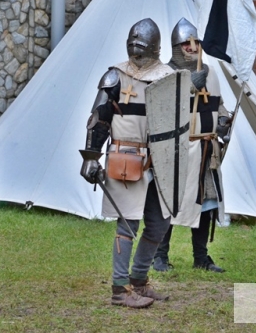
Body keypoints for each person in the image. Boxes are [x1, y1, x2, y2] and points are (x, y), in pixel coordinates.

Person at [80, 18, 175, 308]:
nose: (136, 51)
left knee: (159, 224)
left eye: (141, 46)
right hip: (126, 158)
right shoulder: (115, 77)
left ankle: (139, 280)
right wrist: (91, 157)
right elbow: (98, 120)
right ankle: (120, 289)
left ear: (155, 48)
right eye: (133, 45)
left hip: (160, 161)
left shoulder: (168, 77)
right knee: (128, 224)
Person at [152, 18, 231, 274]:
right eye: (186, 43)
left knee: (206, 203)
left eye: (196, 42)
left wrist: (223, 120)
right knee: (170, 202)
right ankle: (159, 256)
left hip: (207, 151)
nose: (192, 47)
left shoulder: (210, 72)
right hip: (178, 151)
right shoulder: (165, 74)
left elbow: (219, 105)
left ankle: (201, 257)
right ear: (176, 47)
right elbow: (160, 108)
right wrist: (188, 87)